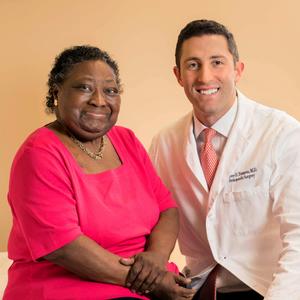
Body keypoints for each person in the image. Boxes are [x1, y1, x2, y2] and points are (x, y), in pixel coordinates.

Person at [4, 45, 195, 300]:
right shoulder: (39, 153)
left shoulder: (125, 139)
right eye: (84, 87)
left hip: (144, 285)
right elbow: (64, 248)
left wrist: (157, 260)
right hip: (66, 289)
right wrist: (153, 281)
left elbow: (167, 209)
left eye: (110, 90)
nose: (99, 99)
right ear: (57, 93)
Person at [149, 19, 300, 299]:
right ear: (178, 75)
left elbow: (298, 236)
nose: (205, 77)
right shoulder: (164, 144)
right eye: (193, 65)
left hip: (269, 286)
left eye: (217, 62)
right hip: (200, 288)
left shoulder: (282, 133)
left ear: (238, 70)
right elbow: (151, 222)